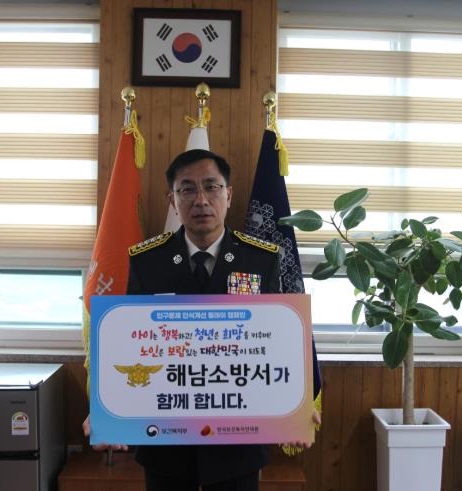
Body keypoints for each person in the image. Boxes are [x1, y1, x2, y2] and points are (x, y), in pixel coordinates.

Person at [83, 149, 319, 491]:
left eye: (211, 187)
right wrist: (108, 409)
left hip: (238, 443)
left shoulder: (260, 259)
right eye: (187, 189)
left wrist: (295, 407)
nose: (201, 200)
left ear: (228, 195)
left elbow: (278, 341)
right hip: (167, 441)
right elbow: (128, 342)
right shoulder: (148, 261)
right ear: (172, 200)